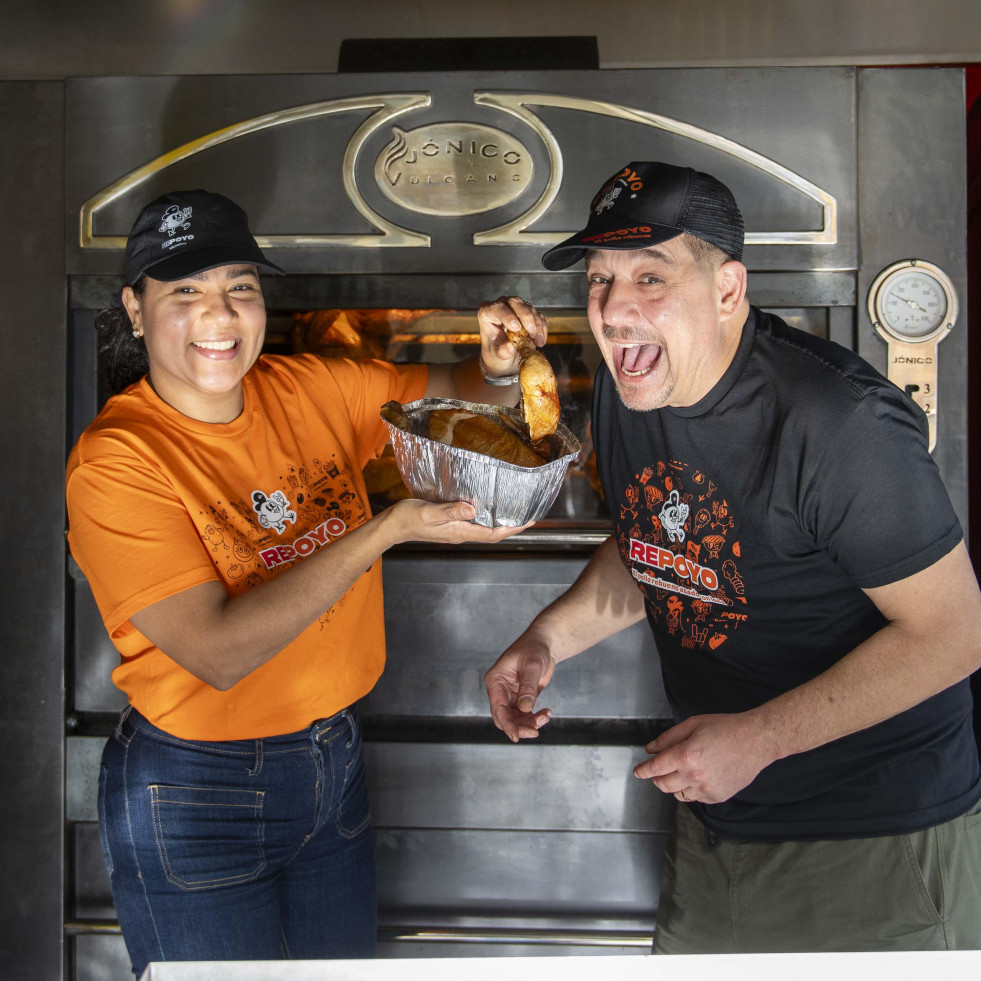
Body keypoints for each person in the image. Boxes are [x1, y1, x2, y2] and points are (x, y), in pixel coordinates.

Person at [483, 161, 981, 952]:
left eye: (650, 275)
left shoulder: (837, 424)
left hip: (875, 838)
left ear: (726, 290)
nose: (613, 309)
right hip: (718, 819)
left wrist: (759, 739)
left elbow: (953, 634)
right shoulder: (630, 387)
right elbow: (656, 539)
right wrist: (548, 637)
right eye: (600, 278)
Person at [66, 188, 544, 976]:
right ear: (135, 307)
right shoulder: (117, 460)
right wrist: (387, 528)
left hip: (334, 757)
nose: (219, 316)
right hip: (198, 790)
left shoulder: (308, 387)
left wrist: (496, 365)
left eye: (239, 289)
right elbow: (217, 650)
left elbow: (456, 396)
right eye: (185, 291)